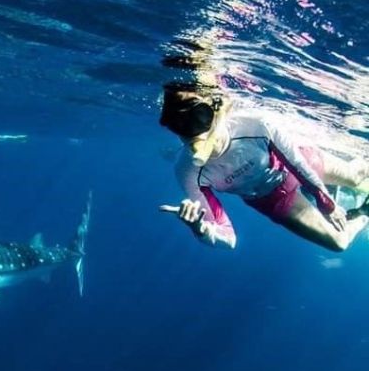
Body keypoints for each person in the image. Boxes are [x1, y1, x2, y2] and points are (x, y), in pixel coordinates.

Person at [158, 82, 369, 252]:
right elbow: (229, 240)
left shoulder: (255, 124)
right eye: (177, 124)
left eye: (199, 117)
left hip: (296, 167)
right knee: (339, 243)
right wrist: (201, 228)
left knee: (355, 176)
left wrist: (327, 203)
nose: (192, 132)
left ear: (215, 111)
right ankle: (364, 212)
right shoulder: (188, 171)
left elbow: (297, 163)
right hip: (273, 199)